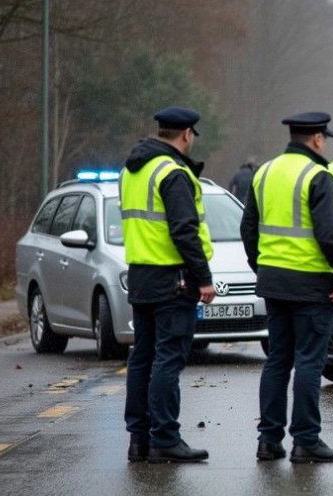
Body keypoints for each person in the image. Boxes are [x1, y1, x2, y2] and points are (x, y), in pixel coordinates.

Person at [240, 111, 333, 463]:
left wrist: (261, 267)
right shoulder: (318, 175)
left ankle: (268, 441)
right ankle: (306, 441)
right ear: (318, 139)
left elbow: (248, 228)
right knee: (308, 362)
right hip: (310, 285)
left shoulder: (265, 172)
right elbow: (330, 234)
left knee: (277, 360)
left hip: (274, 284)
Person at [120, 106, 216, 463]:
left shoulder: (132, 170)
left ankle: (139, 439)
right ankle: (165, 438)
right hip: (172, 279)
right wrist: (202, 278)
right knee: (168, 359)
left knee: (142, 358)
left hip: (141, 275)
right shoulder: (173, 172)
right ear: (186, 134)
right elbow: (184, 231)